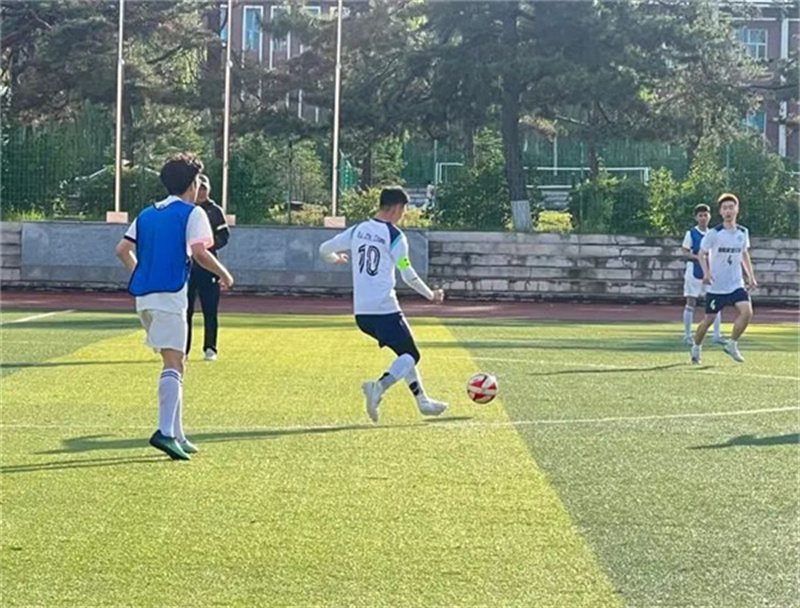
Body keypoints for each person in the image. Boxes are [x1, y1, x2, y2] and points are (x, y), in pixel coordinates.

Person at [115, 154, 235, 460]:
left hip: (145, 298)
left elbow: (123, 249)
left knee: (176, 361)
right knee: (173, 363)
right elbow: (199, 252)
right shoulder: (193, 213)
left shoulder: (147, 213)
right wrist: (224, 274)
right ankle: (165, 432)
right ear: (192, 184)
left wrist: (142, 273)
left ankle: (178, 433)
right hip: (170, 295)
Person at [318, 186, 447, 423]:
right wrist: (431, 295)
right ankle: (378, 387)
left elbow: (324, 249)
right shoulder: (395, 236)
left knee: (403, 353)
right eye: (404, 210)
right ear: (397, 208)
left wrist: (336, 259)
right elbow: (407, 274)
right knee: (411, 354)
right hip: (385, 308)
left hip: (362, 314)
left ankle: (423, 401)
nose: (403, 215)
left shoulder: (357, 230)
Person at [691, 193, 757, 365]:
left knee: (747, 312)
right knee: (708, 320)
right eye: (725, 208)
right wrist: (706, 273)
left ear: (737, 209)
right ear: (720, 212)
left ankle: (732, 344)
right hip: (717, 287)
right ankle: (696, 347)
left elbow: (744, 254)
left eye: (731, 207)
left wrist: (751, 276)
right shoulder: (714, 233)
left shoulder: (743, 232)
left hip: (736, 284)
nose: (728, 211)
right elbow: (701, 254)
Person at [187, 174, 230, 361]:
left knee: (210, 309)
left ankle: (210, 348)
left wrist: (207, 248)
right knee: (185, 310)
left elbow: (224, 236)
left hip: (209, 266)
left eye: (205, 189)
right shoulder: (187, 209)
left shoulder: (215, 211)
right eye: (199, 188)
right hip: (188, 265)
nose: (202, 192)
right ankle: (183, 349)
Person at [681, 204, 723, 345]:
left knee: (715, 302)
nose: (703, 218)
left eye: (705, 215)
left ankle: (717, 334)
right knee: (691, 301)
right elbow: (685, 251)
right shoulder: (691, 233)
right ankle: (687, 335)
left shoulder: (714, 234)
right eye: (700, 215)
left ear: (709, 216)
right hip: (694, 271)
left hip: (710, 272)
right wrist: (698, 257)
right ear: (696, 217)